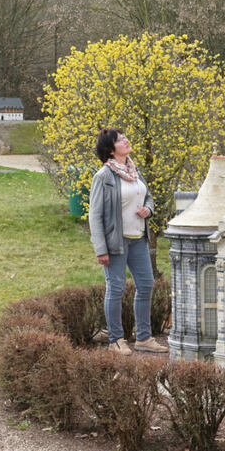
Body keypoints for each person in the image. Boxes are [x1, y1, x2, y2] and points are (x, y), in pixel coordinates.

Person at [88, 128, 168, 355]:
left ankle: (144, 338)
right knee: (116, 288)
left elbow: (148, 196)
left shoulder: (134, 171)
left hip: (138, 240)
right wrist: (100, 249)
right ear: (110, 150)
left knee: (146, 285)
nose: (126, 141)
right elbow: (94, 215)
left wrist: (148, 210)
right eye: (120, 140)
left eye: (125, 138)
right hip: (115, 243)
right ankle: (116, 340)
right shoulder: (103, 176)